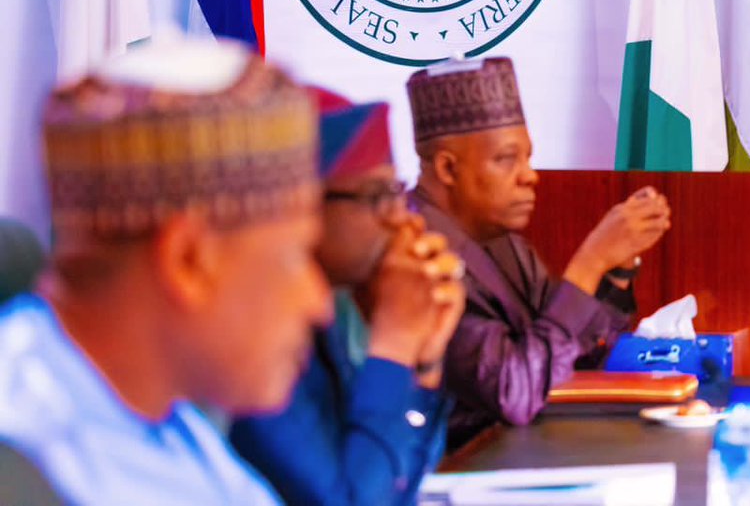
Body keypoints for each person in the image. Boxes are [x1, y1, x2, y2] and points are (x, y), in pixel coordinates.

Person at [0, 38, 328, 505]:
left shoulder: (160, 414)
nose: (317, 303)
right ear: (187, 260)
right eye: (297, 256)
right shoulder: (29, 469)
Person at [405, 57, 672, 447]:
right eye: (506, 159)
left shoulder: (500, 240)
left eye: (527, 157)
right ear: (448, 169)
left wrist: (616, 271)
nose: (530, 175)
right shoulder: (413, 253)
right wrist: (590, 263)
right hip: (452, 473)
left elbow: (567, 356)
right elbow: (514, 393)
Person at [230, 89, 465, 504]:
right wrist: (395, 344)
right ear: (299, 207)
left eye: (396, 192)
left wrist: (424, 363)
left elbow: (398, 487)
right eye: (375, 196)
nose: (399, 217)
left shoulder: (333, 310)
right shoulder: (246, 338)